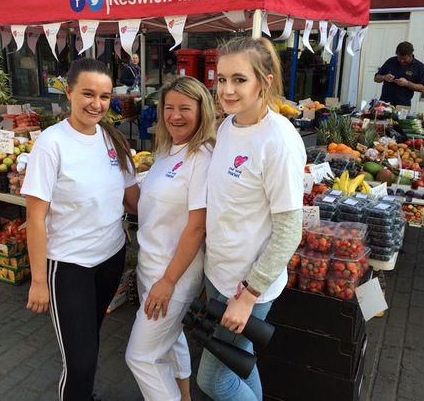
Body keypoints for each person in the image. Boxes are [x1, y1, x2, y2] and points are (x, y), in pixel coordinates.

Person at [21, 58, 140, 401]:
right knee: (81, 362)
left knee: (90, 341)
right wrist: (39, 281)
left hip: (111, 259)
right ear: (69, 92)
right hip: (69, 267)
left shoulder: (113, 140)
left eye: (104, 96)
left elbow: (134, 202)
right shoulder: (51, 144)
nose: (96, 104)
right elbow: (36, 219)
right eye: (88, 93)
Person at [196, 37, 306, 401]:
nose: (226, 90)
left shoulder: (279, 141)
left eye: (239, 80)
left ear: (266, 81)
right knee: (238, 360)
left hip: (246, 287)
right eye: (221, 78)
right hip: (219, 274)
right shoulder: (229, 125)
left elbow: (290, 230)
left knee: (213, 380)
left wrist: (249, 295)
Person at [125, 76, 215, 401]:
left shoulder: (202, 158)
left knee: (141, 357)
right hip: (151, 268)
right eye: (169, 107)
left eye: (185, 108)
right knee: (171, 340)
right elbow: (144, 207)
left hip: (173, 275)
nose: (175, 115)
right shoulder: (166, 151)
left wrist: (168, 280)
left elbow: (197, 227)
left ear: (202, 110)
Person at [374, 41, 424, 107]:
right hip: (385, 103)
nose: (401, 61)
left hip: (403, 105)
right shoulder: (391, 61)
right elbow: (376, 78)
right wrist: (384, 77)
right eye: (399, 58)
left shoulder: (419, 67)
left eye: (404, 59)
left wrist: (407, 83)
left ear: (411, 54)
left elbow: (423, 88)